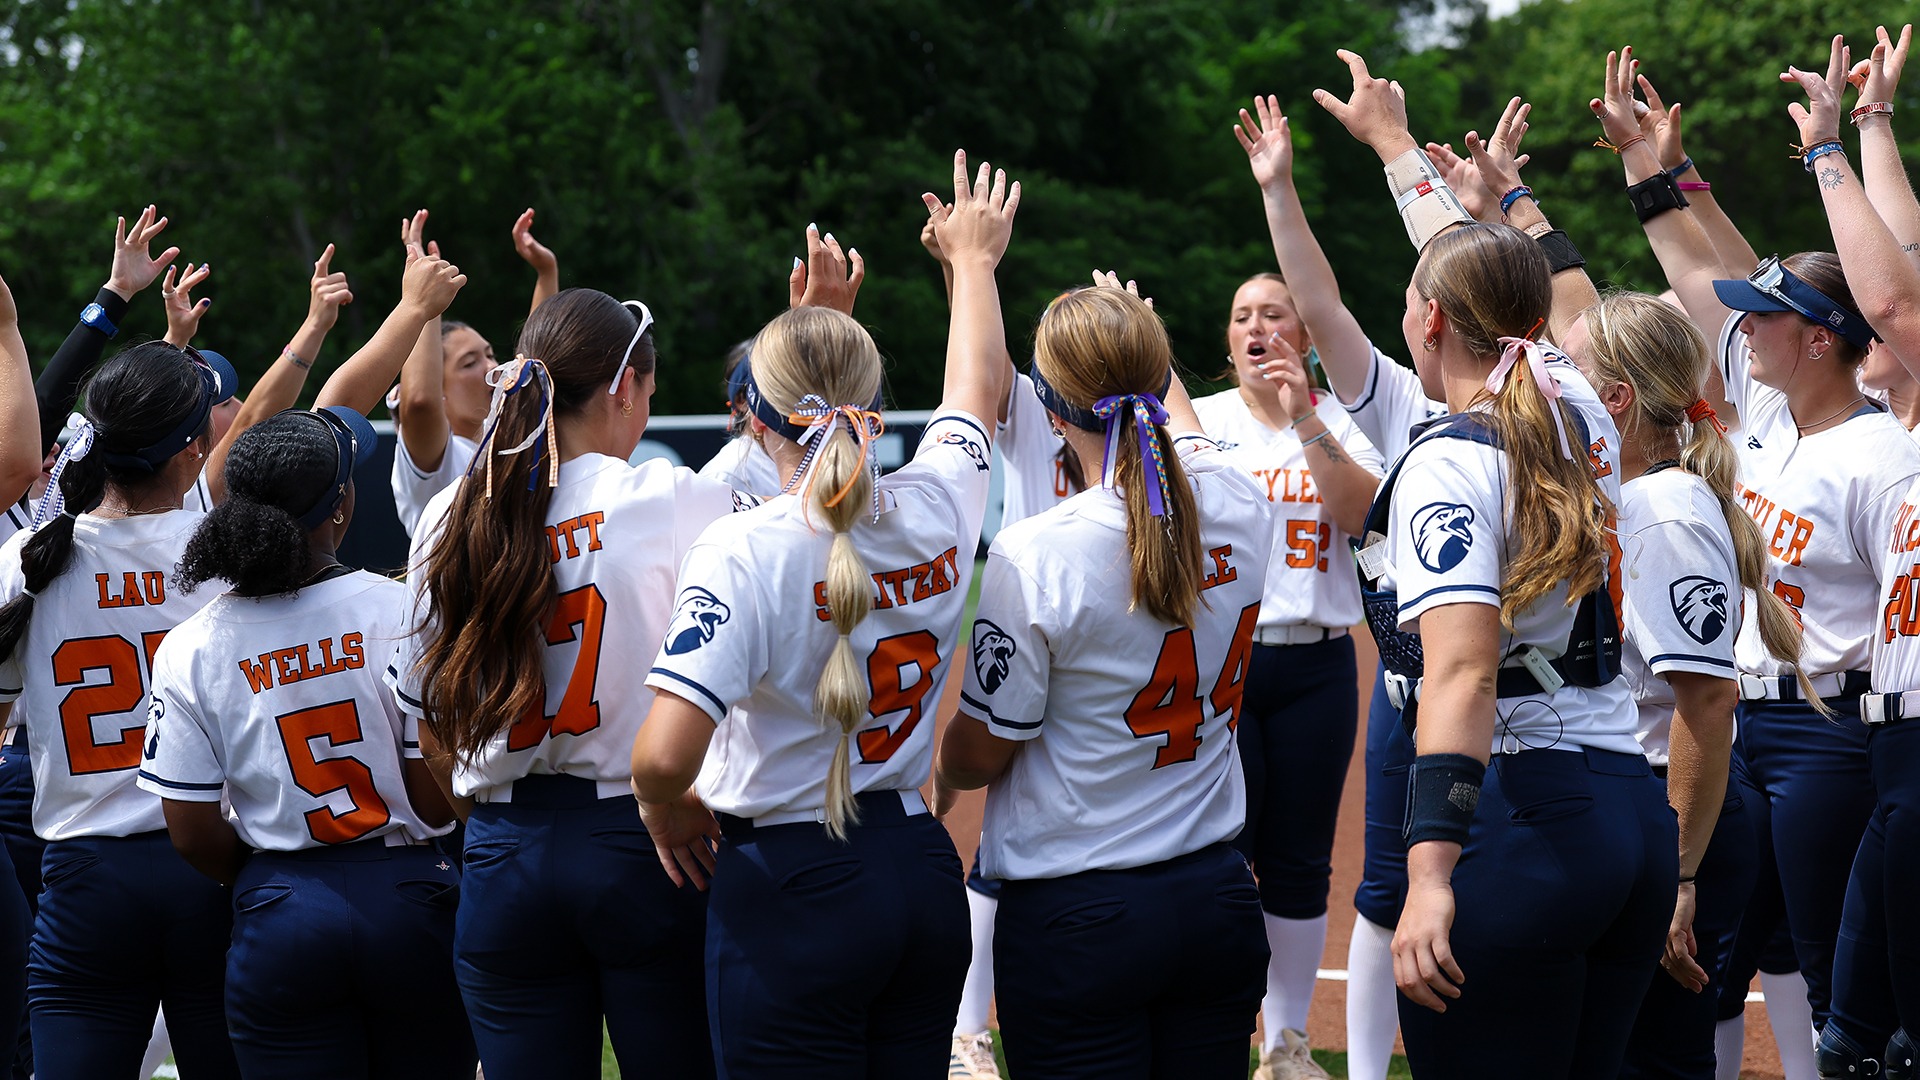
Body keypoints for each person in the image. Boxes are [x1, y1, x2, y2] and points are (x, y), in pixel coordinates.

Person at [1315, 50, 1671, 1080]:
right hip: (1625, 817)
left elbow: (1464, 673)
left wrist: (1427, 875)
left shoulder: (1447, 459)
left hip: (1523, 830)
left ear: (1428, 322)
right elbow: (1495, 285)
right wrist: (1399, 156)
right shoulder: (1574, 402)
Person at [629, 152, 1014, 1078]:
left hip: (788, 884)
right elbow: (977, 390)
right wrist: (972, 264)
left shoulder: (744, 545)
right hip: (918, 868)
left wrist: (667, 810)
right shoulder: (940, 504)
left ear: (753, 419)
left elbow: (662, 757)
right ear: (875, 407)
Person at [1615, 38, 1920, 1043]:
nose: (1741, 331)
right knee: (1697, 962)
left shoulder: (1883, 456)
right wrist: (1655, 172)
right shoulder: (1765, 411)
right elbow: (1707, 273)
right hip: (1734, 727)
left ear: (1821, 338)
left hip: (1831, 737)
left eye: (1767, 321)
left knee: (1841, 974)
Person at [392, 284, 750, 1080]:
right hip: (646, 840)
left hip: (502, 849)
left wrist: (493, 825)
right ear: (623, 387)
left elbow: (430, 731)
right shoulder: (667, 496)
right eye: (646, 395)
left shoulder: (451, 513)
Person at [932, 276, 1272, 1079]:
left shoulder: (1038, 551)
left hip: (1080, 915)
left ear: (1052, 412)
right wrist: (1141, 342)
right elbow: (1179, 427)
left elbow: (983, 752)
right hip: (1217, 896)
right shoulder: (1245, 499)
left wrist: (941, 769)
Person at [138, 406, 474, 1080]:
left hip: (279, 904)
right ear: (343, 505)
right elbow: (432, 805)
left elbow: (191, 831)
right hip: (407, 896)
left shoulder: (193, 642)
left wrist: (275, 872)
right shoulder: (402, 608)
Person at [1575, 290, 1811, 1080]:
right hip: (1656, 807)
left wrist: (1679, 874)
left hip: (1674, 811)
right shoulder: (1639, 493)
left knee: (1655, 1062)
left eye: (1567, 372)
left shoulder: (1662, 508)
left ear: (1615, 398)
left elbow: (1706, 706)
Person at [0, 343, 240, 1080]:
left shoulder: (27, 557)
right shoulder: (227, 554)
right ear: (195, 446)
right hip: (214, 861)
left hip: (84, 874)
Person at [1223, 94, 1392, 1080]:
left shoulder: (1340, 415)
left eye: (1272, 311)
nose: (1256, 325)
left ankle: (1285, 1039)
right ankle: (1219, 1018)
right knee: (1215, 849)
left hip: (1321, 665)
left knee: (1297, 862)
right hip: (1225, 664)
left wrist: (1306, 420)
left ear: (1302, 325)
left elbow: (1362, 517)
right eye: (1242, 315)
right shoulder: (1197, 419)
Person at [1779, 28, 1920, 1077]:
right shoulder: (1906, 423)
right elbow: (1903, 275)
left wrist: (1830, 150)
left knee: (1885, 1033)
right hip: (1894, 749)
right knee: (1858, 1035)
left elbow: (1893, 301)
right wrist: (1870, 124)